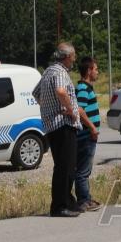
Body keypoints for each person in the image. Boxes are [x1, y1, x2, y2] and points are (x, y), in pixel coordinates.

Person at [32, 42, 82, 218]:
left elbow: (36, 93)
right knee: (65, 166)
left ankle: (68, 201)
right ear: (67, 57)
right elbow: (61, 92)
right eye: (73, 55)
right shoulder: (60, 72)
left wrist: (48, 110)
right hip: (62, 125)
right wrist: (68, 109)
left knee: (66, 165)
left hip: (53, 125)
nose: (74, 59)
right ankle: (59, 206)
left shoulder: (48, 71)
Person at [74, 56, 102, 211]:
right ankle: (84, 200)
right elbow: (79, 109)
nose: (97, 72)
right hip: (86, 136)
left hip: (87, 135)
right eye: (96, 69)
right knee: (83, 171)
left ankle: (85, 198)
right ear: (89, 70)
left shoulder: (86, 88)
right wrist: (92, 127)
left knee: (83, 170)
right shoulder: (83, 89)